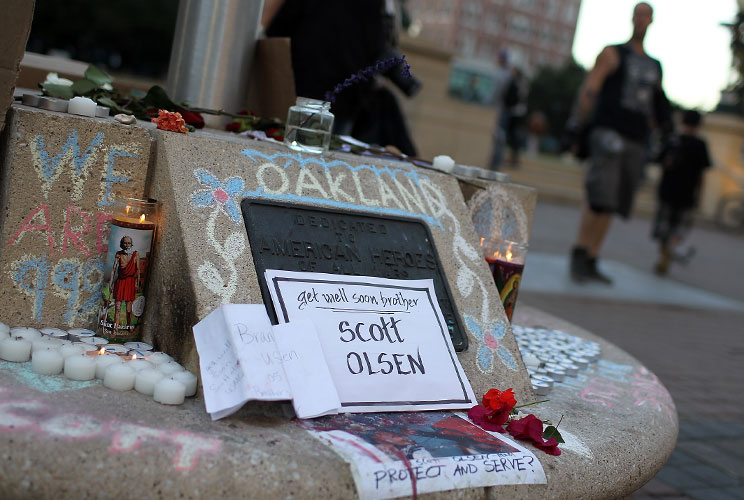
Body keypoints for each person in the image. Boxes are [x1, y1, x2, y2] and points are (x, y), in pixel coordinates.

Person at [568, 2, 668, 283]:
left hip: (636, 139)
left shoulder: (654, 65)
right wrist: (577, 125)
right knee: (599, 197)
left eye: (646, 16)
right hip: (608, 133)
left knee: (613, 203)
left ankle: (592, 257)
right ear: (632, 18)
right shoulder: (613, 53)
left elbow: (658, 105)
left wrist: (667, 133)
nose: (641, 20)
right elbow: (590, 88)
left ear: (651, 21)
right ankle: (579, 252)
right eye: (638, 15)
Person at [651, 110, 711, 275]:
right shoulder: (700, 144)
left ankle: (663, 254)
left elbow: (659, 162)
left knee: (663, 225)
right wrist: (700, 196)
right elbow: (702, 174)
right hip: (687, 193)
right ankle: (670, 251)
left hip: (667, 190)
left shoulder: (672, 140)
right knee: (678, 227)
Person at [109, 235, 140, 334]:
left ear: (131, 244)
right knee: (117, 307)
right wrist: (111, 282)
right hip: (120, 281)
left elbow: (138, 270)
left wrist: (137, 283)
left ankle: (129, 326)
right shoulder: (119, 254)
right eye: (125, 243)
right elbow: (114, 269)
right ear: (122, 244)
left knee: (128, 308)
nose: (127, 245)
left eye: (128, 243)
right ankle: (115, 328)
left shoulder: (136, 254)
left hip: (130, 282)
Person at [488, 49, 513, 170]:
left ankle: (495, 162)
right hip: (502, 109)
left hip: (499, 109)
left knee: (499, 136)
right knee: (499, 137)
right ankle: (495, 161)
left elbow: (496, 92)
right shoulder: (507, 74)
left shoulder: (502, 74)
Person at [502, 67, 528, 168]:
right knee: (513, 137)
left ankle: (514, 159)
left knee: (513, 137)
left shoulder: (518, 84)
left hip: (514, 113)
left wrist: (508, 106)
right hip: (516, 113)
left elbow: (512, 97)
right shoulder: (521, 84)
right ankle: (513, 158)